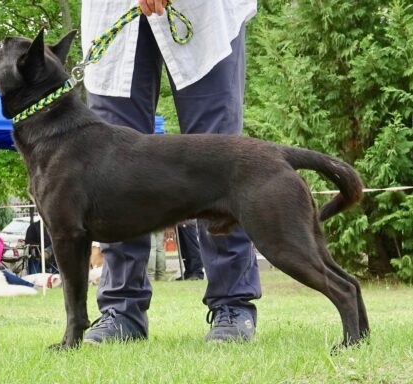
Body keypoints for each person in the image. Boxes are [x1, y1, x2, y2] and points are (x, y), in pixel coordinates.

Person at [81, 0, 261, 343]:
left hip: (205, 12)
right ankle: (122, 309)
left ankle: (232, 303)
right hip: (111, 12)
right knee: (112, 171)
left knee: (219, 162)